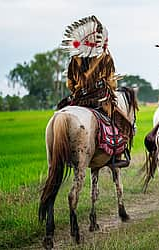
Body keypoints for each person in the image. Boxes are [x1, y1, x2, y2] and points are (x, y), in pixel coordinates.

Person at [59, 15, 132, 168]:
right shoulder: (106, 57)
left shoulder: (75, 58)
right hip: (100, 99)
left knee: (60, 111)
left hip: (78, 99)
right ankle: (117, 154)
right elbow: (112, 82)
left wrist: (79, 90)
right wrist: (110, 91)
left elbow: (70, 83)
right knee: (124, 124)